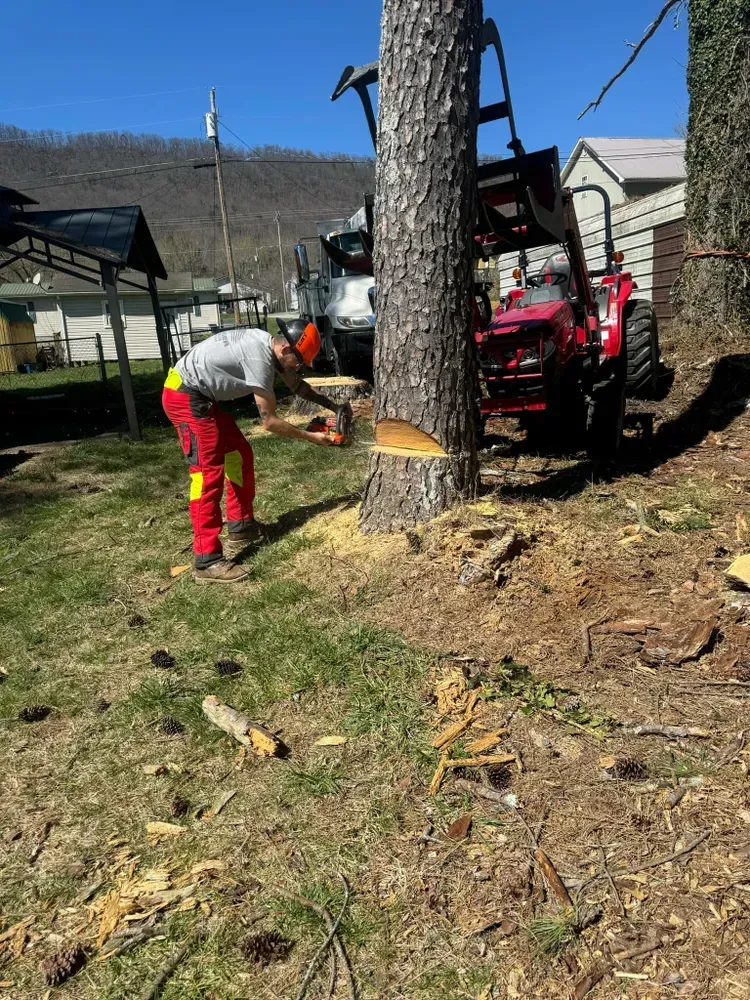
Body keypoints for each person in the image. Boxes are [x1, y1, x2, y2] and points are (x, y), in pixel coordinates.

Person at [162, 319, 345, 584]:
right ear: (286, 350)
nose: (298, 368)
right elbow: (269, 422)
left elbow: (297, 386)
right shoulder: (259, 361)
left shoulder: (267, 344)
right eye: (298, 362)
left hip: (200, 396)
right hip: (185, 397)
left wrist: (333, 406)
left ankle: (241, 524)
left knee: (239, 454)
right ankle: (207, 560)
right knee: (207, 474)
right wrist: (310, 437)